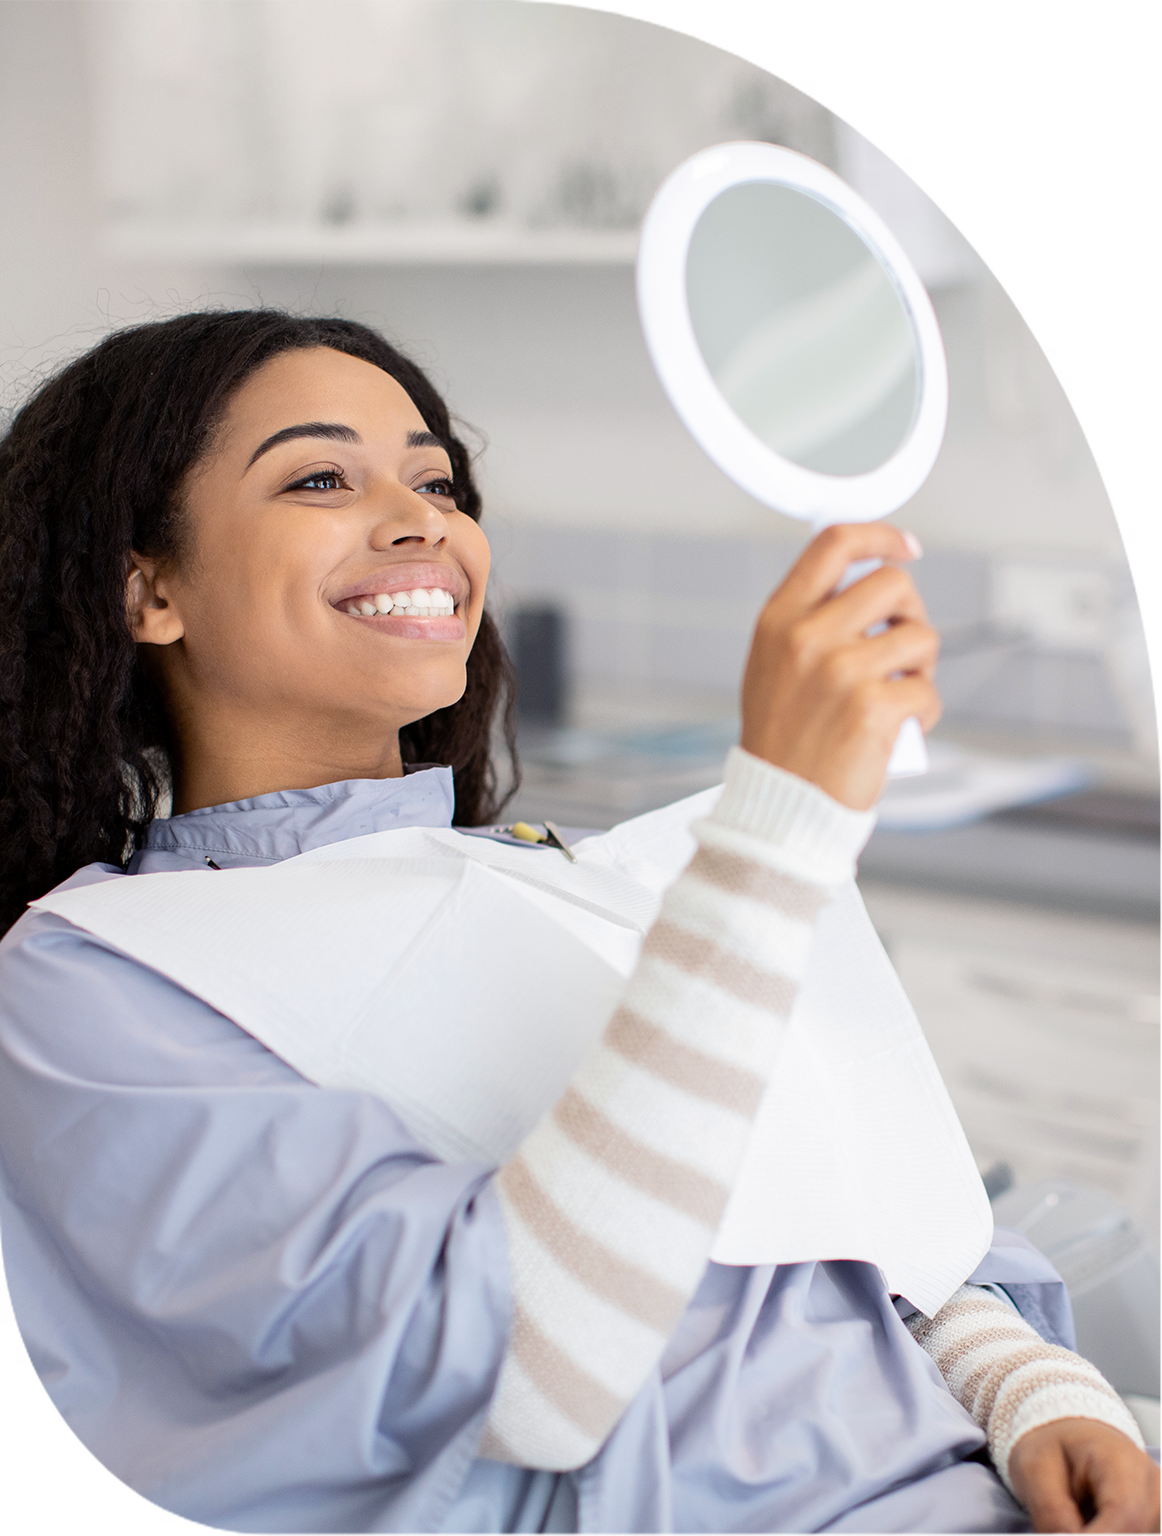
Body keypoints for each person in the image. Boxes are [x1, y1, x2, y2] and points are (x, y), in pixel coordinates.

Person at [0, 309, 1157, 1536]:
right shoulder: (94, 982)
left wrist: (1031, 1390)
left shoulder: (571, 877)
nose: (421, 520)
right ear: (148, 587)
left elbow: (868, 1217)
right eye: (321, 476)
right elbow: (519, 1368)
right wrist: (778, 828)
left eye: (437, 479)